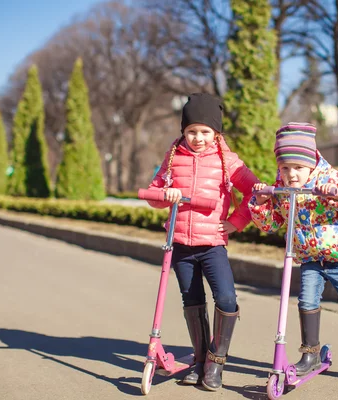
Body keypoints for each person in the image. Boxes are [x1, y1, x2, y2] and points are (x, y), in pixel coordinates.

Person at [249, 122, 338, 386]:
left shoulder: (328, 178)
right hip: (311, 258)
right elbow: (271, 224)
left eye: (298, 168)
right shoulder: (281, 187)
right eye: (285, 168)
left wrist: (336, 196)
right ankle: (310, 355)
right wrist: (261, 203)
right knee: (306, 302)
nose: (291, 175)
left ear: (311, 162)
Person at [145, 93, 259, 391]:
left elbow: (253, 191)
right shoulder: (172, 158)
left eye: (205, 132)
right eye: (191, 131)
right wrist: (164, 195)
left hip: (212, 244)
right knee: (192, 301)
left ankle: (216, 362)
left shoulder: (227, 161)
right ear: (183, 131)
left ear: (216, 132)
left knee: (226, 299)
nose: (198, 138)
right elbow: (153, 193)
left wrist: (236, 222)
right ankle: (199, 360)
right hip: (180, 244)